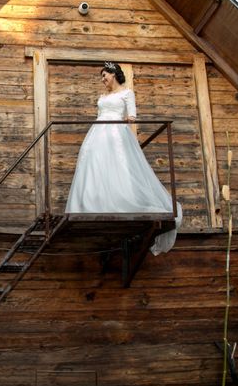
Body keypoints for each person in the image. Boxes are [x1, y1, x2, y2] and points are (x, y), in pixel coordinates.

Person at [65, 61, 182, 255]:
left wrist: (129, 119)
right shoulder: (103, 96)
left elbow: (132, 115)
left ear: (114, 74)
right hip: (98, 132)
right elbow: (101, 113)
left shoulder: (126, 93)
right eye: (101, 76)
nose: (103, 79)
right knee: (95, 164)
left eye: (105, 75)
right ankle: (94, 203)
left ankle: (121, 199)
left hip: (115, 132)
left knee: (118, 165)